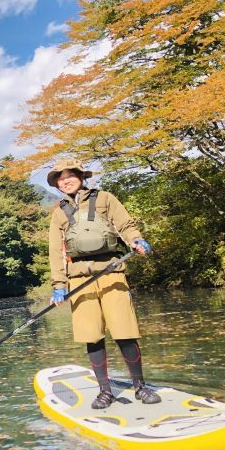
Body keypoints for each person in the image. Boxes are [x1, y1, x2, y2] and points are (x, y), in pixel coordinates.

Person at [46, 158, 159, 410]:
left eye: (69, 175)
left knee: (125, 332)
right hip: (78, 279)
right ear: (57, 184)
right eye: (60, 178)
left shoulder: (105, 198)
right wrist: (58, 284)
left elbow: (126, 225)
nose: (65, 180)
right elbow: (56, 251)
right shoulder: (58, 213)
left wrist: (136, 240)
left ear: (80, 176)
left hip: (111, 271)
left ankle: (140, 386)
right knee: (92, 336)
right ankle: (105, 391)